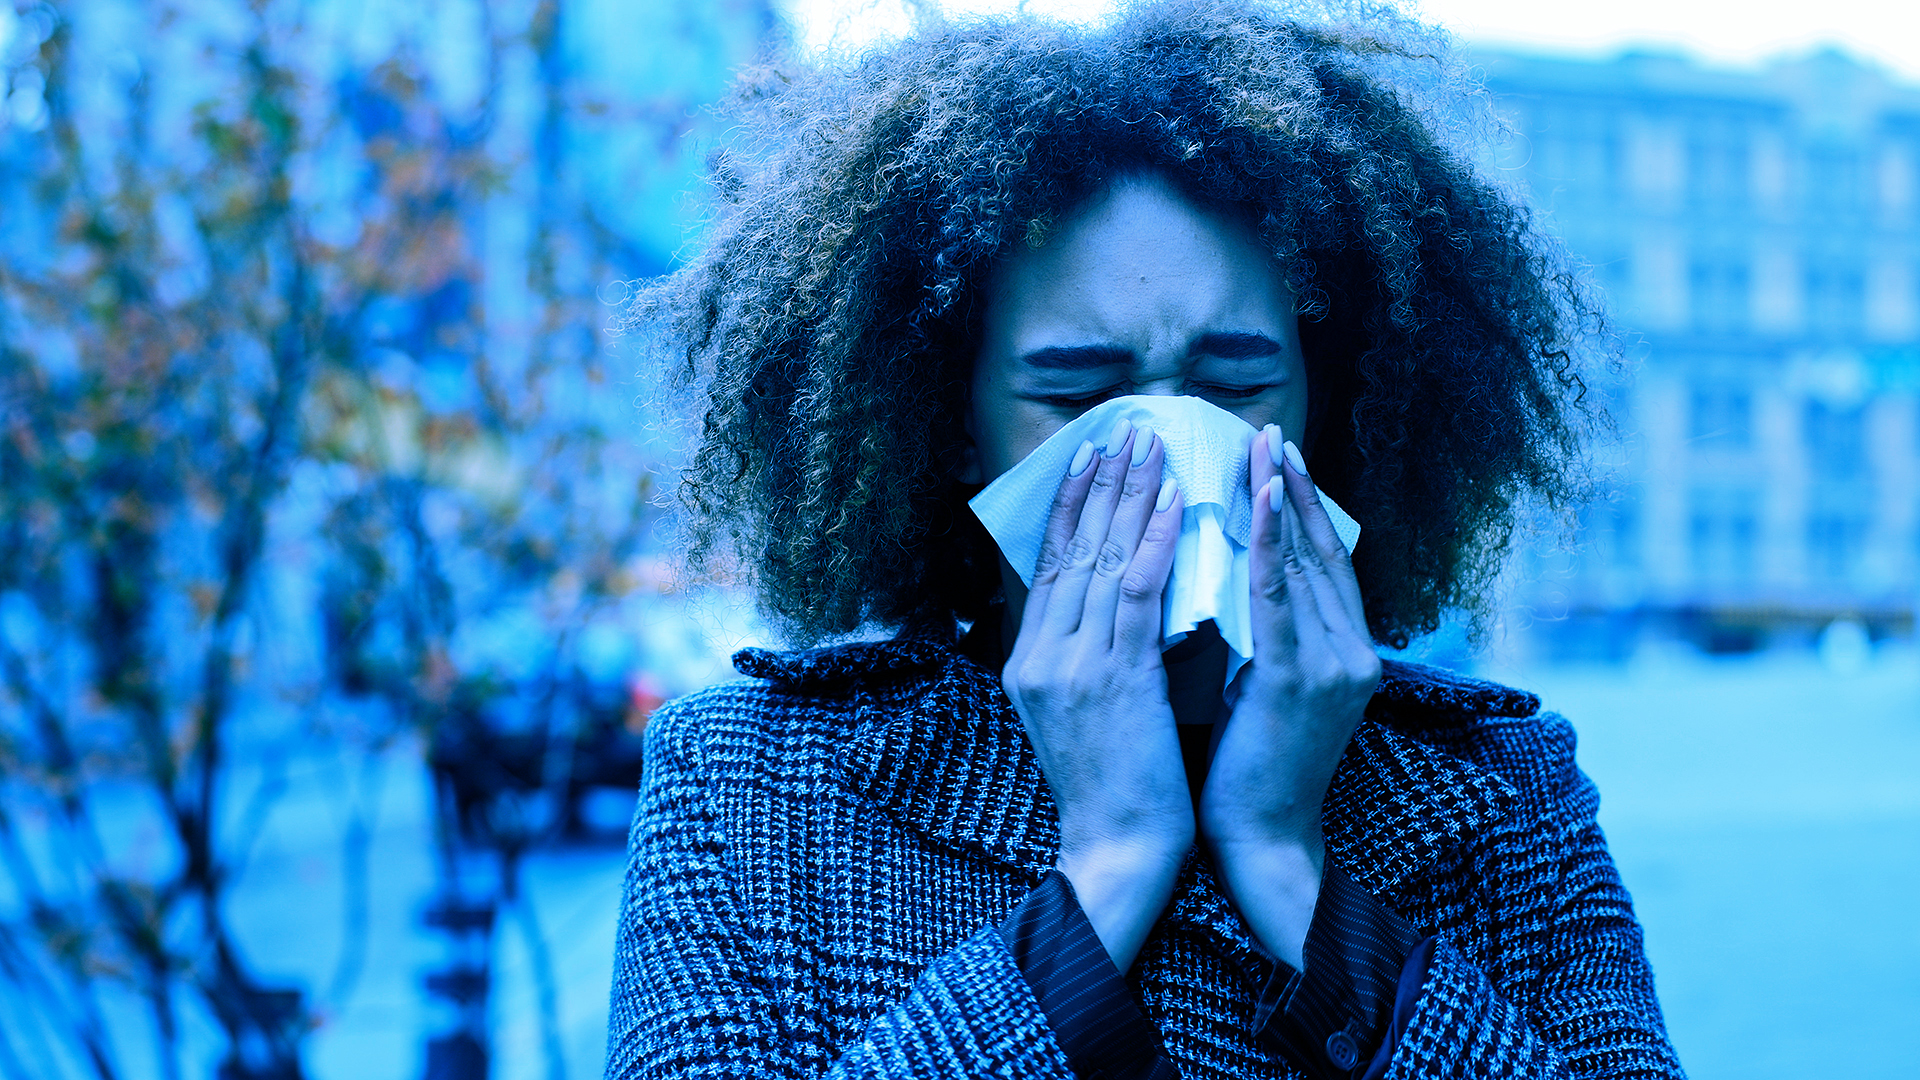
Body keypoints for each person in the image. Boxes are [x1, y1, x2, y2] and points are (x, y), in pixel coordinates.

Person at [606, 3, 1684, 1078]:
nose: (1170, 451)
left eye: (1234, 386)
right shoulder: (753, 784)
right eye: (1079, 394)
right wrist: (1107, 874)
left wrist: (1289, 868)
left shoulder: (1502, 789)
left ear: (1331, 399)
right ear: (950, 429)